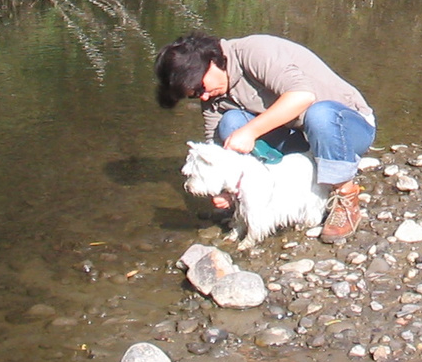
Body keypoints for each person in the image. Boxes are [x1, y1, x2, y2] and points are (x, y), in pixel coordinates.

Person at [155, 31, 375, 243]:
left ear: (211, 61)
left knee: (320, 114)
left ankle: (345, 196)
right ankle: (266, 200)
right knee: (230, 123)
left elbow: (302, 96)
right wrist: (227, 190)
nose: (202, 96)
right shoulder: (213, 95)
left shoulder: (255, 51)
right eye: (194, 95)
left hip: (343, 129)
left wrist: (250, 131)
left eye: (200, 87)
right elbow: (219, 152)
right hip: (300, 137)